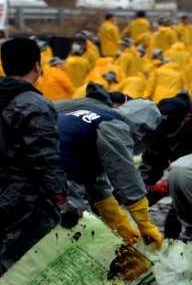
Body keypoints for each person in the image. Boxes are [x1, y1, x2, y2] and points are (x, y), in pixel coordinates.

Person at [0, 37, 80, 274]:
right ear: (37, 65)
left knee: (9, 256)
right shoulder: (34, 104)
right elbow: (45, 159)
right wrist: (61, 200)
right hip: (29, 200)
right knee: (33, 265)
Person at [56, 89, 163, 249]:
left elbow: (95, 181)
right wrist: (145, 223)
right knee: (73, 231)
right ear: (143, 131)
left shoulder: (97, 116)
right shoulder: (115, 126)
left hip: (30, 161)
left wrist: (119, 224)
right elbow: (125, 176)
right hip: (56, 171)